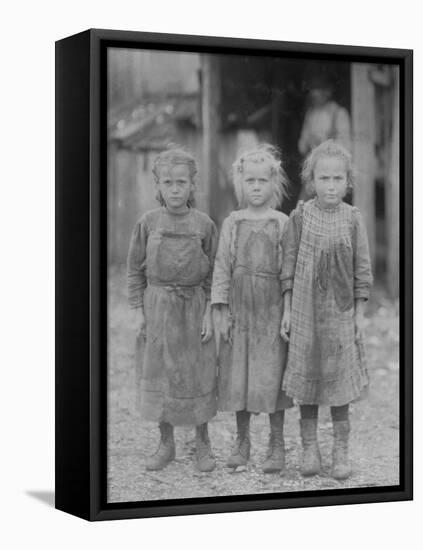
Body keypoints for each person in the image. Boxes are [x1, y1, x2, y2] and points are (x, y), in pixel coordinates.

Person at [280, 139, 373, 480]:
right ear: (311, 180)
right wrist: (288, 309)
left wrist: (358, 318)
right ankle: (309, 447)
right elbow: (288, 264)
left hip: (339, 314)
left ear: (347, 182)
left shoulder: (352, 218)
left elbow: (362, 271)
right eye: (324, 178)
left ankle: (340, 449)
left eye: (337, 179)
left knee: (338, 382)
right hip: (305, 312)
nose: (331, 186)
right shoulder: (301, 215)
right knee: (307, 377)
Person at [127, 148, 218, 473]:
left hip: (194, 308)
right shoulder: (147, 223)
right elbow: (134, 271)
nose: (175, 188)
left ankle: (203, 443)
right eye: (169, 182)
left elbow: (214, 275)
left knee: (197, 373)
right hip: (158, 308)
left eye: (182, 182)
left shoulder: (204, 224)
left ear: (193, 185)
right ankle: (165, 444)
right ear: (158, 185)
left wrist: (210, 311)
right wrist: (139, 311)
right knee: (161, 373)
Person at [211, 145, 293, 473]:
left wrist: (287, 311)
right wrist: (221, 310)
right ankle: (242, 441)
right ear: (240, 183)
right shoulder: (232, 222)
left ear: (274, 184)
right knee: (238, 376)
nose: (256, 187)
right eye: (250, 181)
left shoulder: (283, 222)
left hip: (271, 311)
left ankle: (276, 444)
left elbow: (289, 271)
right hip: (240, 312)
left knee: (272, 375)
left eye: (262, 181)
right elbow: (221, 267)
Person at [298, 75, 351, 200]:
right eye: (312, 92)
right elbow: (301, 145)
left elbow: (347, 147)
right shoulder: (311, 113)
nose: (314, 95)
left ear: (327, 92)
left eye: (318, 91)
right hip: (313, 171)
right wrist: (308, 142)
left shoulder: (339, 113)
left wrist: (325, 144)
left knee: (330, 208)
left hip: (332, 171)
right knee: (303, 208)